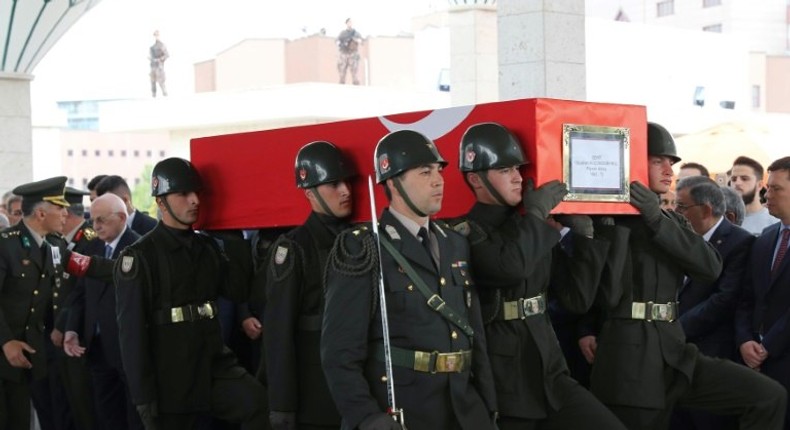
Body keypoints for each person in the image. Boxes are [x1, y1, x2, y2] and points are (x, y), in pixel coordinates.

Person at [587, 122, 786, 430]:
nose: (669, 169)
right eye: (658, 161)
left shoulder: (668, 220)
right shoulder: (606, 222)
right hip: (629, 359)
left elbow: (708, 267)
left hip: (675, 352)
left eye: (672, 163)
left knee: (767, 397)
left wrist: (655, 219)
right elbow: (604, 294)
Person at [452, 122, 625, 430]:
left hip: (550, 370)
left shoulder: (531, 229)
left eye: (518, 168)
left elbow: (576, 299)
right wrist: (534, 216)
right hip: (507, 380)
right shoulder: (465, 231)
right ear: (476, 179)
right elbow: (510, 267)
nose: (518, 177)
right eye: (505, 170)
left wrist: (586, 235)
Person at [322, 130, 497, 430]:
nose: (438, 180)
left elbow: (474, 331)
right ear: (393, 182)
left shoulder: (454, 242)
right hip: (406, 412)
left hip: (464, 410)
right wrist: (365, 416)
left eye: (439, 170)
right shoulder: (362, 247)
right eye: (424, 172)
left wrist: (488, 404)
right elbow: (338, 350)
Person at [114, 157, 266, 428]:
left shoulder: (208, 248)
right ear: (161, 202)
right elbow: (131, 332)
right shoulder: (140, 256)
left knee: (257, 404)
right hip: (170, 375)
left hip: (214, 364)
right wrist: (143, 395)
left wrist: (231, 235)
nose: (195, 200)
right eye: (183, 193)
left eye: (197, 192)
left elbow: (238, 289)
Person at [264, 141, 355, 430]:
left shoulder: (359, 240)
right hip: (315, 394)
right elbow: (278, 331)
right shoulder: (294, 248)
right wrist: (282, 405)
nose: (345, 191)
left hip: (357, 392)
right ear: (310, 192)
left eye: (346, 182)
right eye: (333, 184)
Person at [0, 177, 89, 429]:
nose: (66, 213)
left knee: (19, 421)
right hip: (4, 350)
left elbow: (86, 266)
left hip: (26, 357)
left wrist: (127, 264)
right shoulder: (5, 244)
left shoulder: (55, 244)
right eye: (60, 208)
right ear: (41, 213)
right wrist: (6, 341)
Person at [671, 176, 755, 430]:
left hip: (712, 349)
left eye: (682, 207)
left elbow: (724, 299)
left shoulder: (740, 241)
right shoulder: (679, 238)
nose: (676, 212)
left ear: (706, 209)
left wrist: (676, 329)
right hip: (675, 355)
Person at [64, 193, 143, 429]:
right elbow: (79, 294)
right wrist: (71, 329)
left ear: (121, 217)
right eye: (92, 220)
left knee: (134, 416)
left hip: (128, 348)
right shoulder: (91, 246)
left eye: (101, 220)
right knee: (106, 415)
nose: (95, 226)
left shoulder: (139, 246)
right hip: (96, 348)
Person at [736, 156, 790, 430]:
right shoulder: (766, 238)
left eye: (777, 188)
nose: (767, 194)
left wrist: (768, 345)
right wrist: (745, 339)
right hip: (757, 363)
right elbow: (747, 297)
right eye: (767, 187)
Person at [729, 156, 778, 235]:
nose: (737, 183)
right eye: (733, 179)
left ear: (759, 185)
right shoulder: (721, 220)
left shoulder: (774, 223)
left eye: (744, 178)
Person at [336, 18, 362, 85]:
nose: (350, 23)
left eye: (351, 22)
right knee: (342, 70)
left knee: (354, 70)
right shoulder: (342, 33)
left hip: (353, 53)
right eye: (348, 22)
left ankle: (355, 83)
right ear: (346, 23)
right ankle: (342, 82)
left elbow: (361, 41)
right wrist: (341, 44)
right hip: (344, 53)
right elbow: (337, 41)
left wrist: (355, 40)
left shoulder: (356, 33)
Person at [149, 30, 168, 97]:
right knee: (152, 81)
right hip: (153, 66)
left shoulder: (162, 45)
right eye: (155, 35)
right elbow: (151, 56)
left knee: (161, 82)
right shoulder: (152, 47)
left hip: (159, 66)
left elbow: (166, 55)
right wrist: (151, 59)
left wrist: (159, 59)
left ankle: (165, 94)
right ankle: (153, 95)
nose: (156, 37)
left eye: (157, 35)